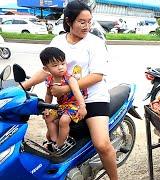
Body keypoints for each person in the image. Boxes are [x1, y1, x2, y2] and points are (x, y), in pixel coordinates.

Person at [22, 1, 118, 180]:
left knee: (102, 144)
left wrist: (66, 88)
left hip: (93, 98)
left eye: (90, 21)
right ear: (69, 21)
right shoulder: (58, 41)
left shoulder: (95, 43)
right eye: (82, 22)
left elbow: (97, 76)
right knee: (50, 137)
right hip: (65, 101)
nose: (87, 26)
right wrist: (23, 87)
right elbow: (46, 69)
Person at [40, 47, 87, 150]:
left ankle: (61, 145)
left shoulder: (70, 79)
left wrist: (82, 107)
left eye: (62, 63)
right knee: (48, 117)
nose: (60, 67)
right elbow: (49, 95)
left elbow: (77, 92)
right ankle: (53, 140)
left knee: (64, 121)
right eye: (55, 65)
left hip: (74, 105)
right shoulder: (49, 80)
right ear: (46, 69)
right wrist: (46, 108)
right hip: (61, 106)